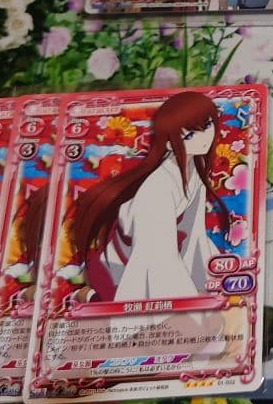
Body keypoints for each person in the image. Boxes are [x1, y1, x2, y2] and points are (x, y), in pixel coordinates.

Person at [71, 92, 232, 302]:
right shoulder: (157, 188)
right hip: (122, 267)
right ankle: (86, 294)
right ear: (169, 144)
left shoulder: (195, 165)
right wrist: (189, 300)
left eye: (208, 124)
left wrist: (203, 281)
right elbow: (154, 257)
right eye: (190, 136)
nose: (204, 138)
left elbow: (194, 234)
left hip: (161, 253)